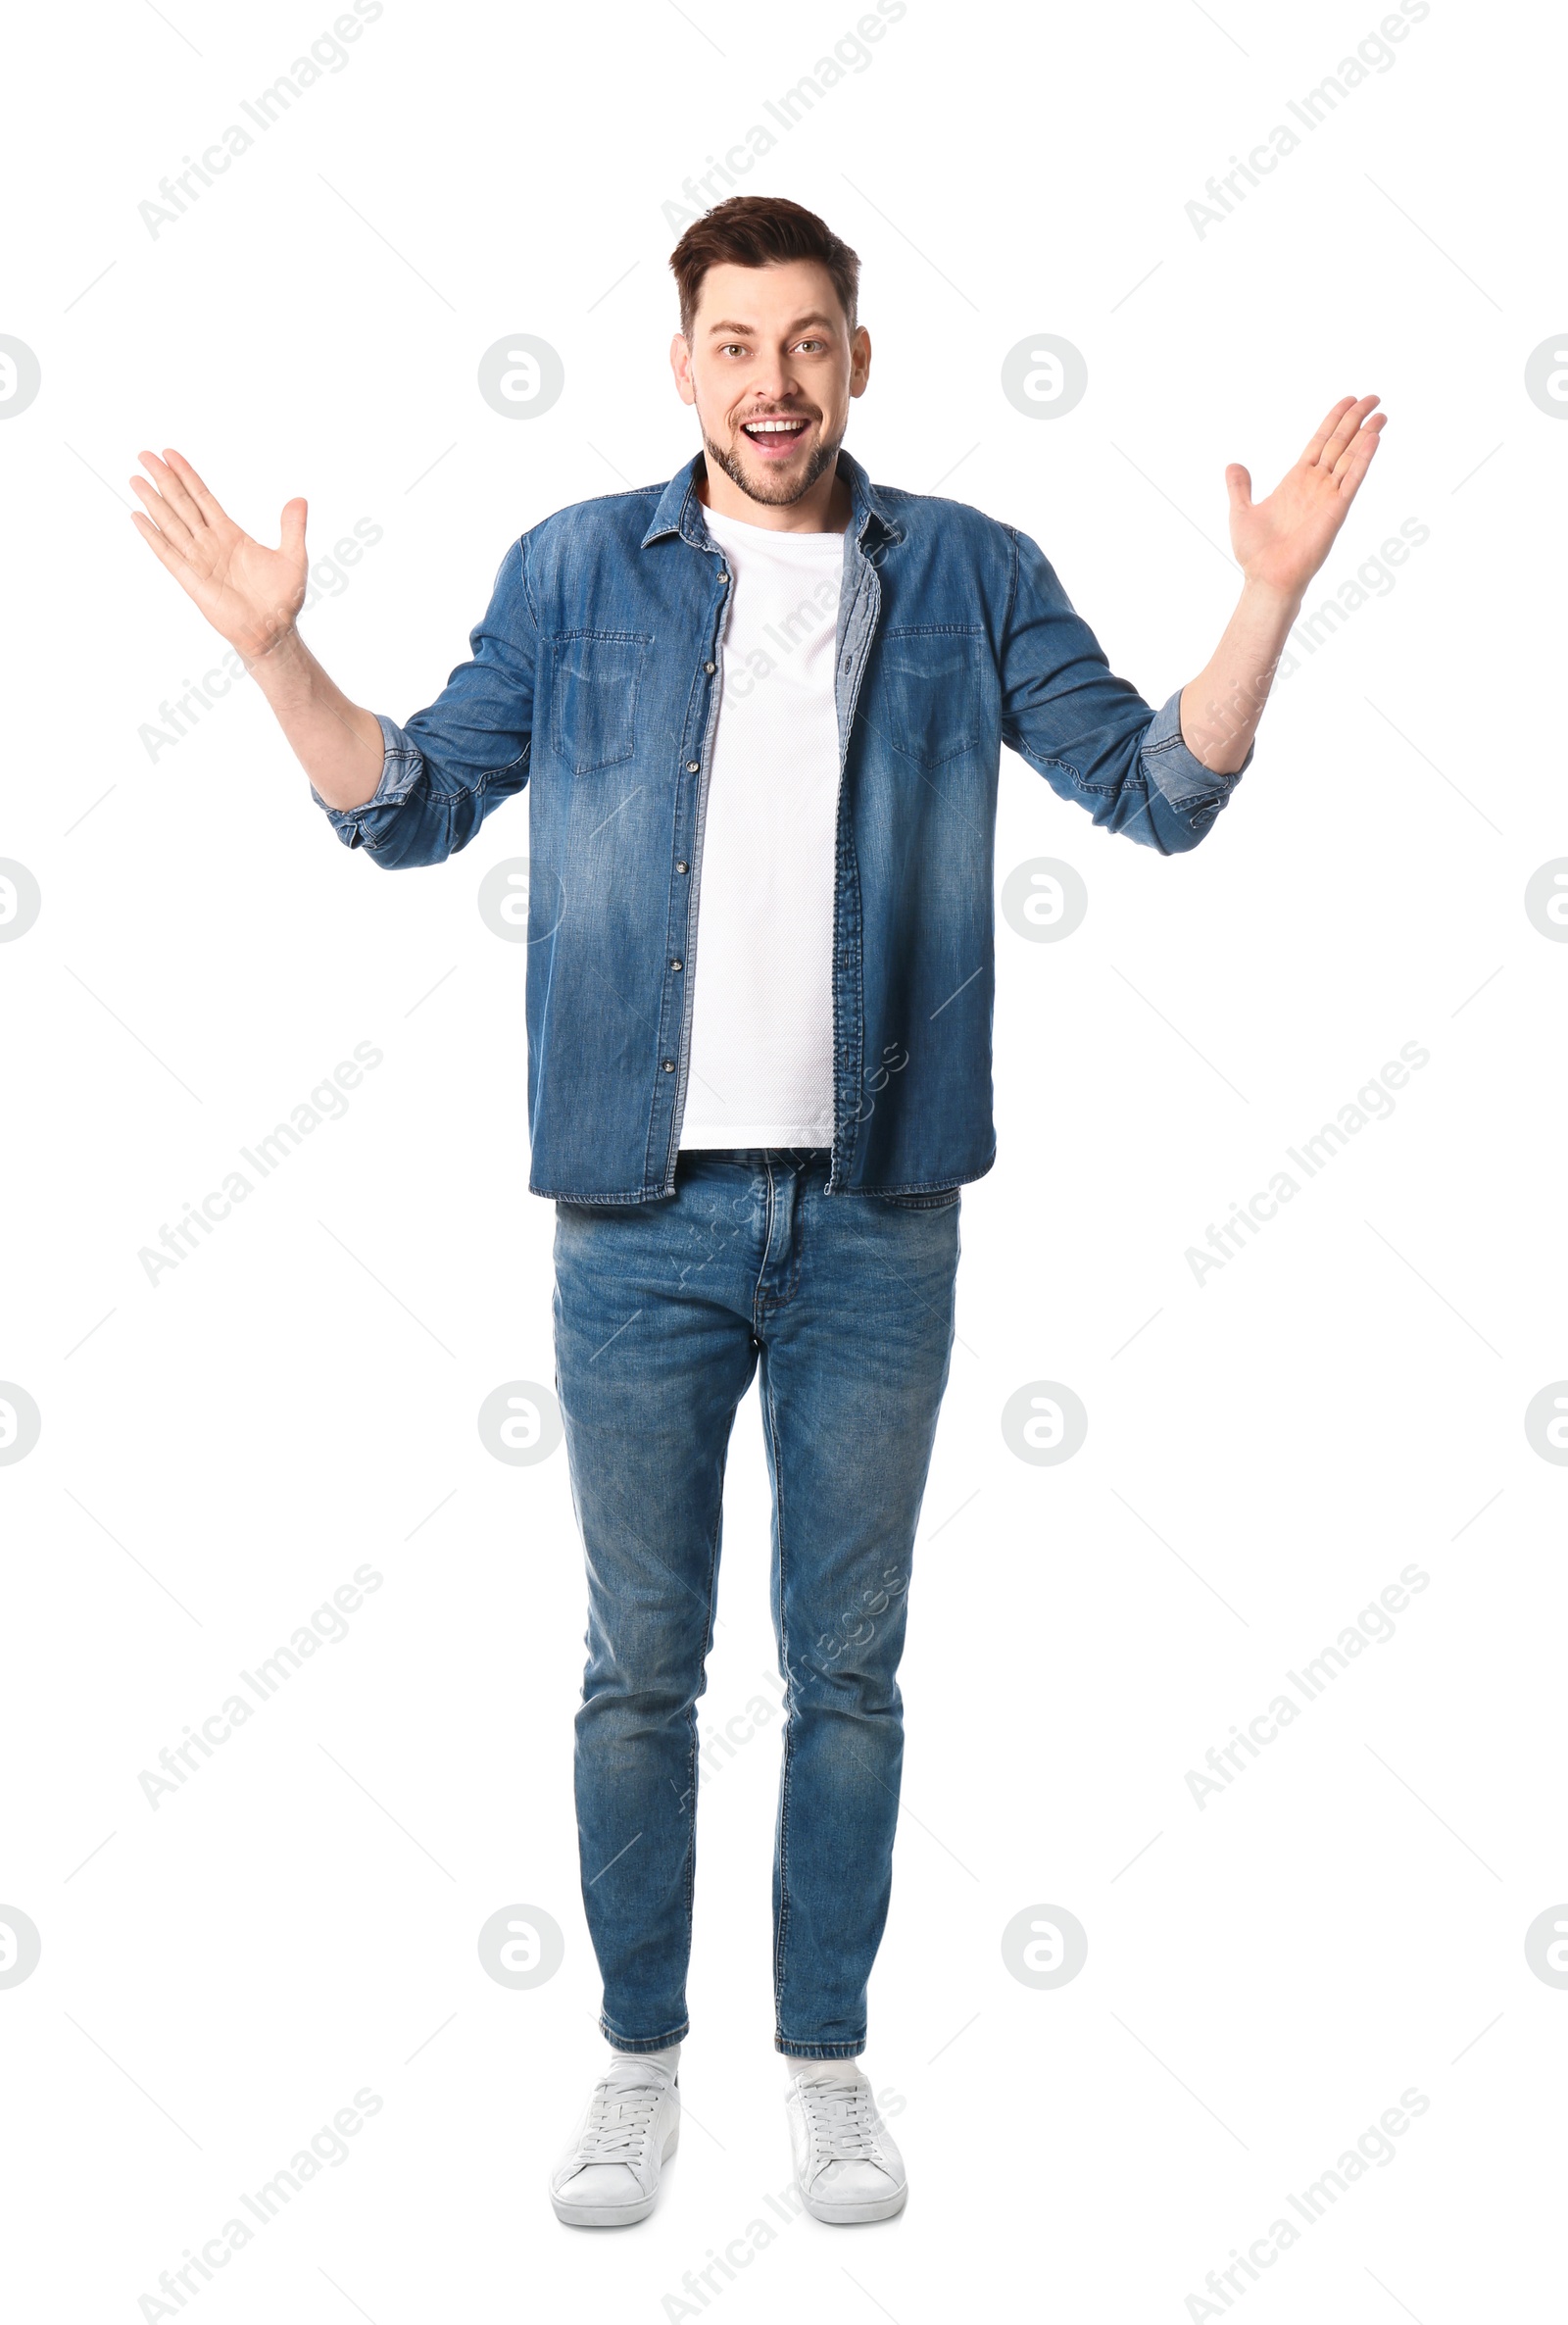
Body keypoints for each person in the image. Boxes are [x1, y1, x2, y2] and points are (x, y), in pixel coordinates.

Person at [130, 193, 1385, 2230]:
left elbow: (1154, 791)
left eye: (807, 341)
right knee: (640, 1664)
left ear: (857, 361)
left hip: (880, 1218)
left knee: (849, 1665)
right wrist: (278, 650)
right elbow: (407, 803)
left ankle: (822, 2056)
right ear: (680, 363)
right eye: (734, 342)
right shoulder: (573, 573)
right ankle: (635, 2058)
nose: (772, 381)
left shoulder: (962, 571)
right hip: (636, 1224)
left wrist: (1262, 603)